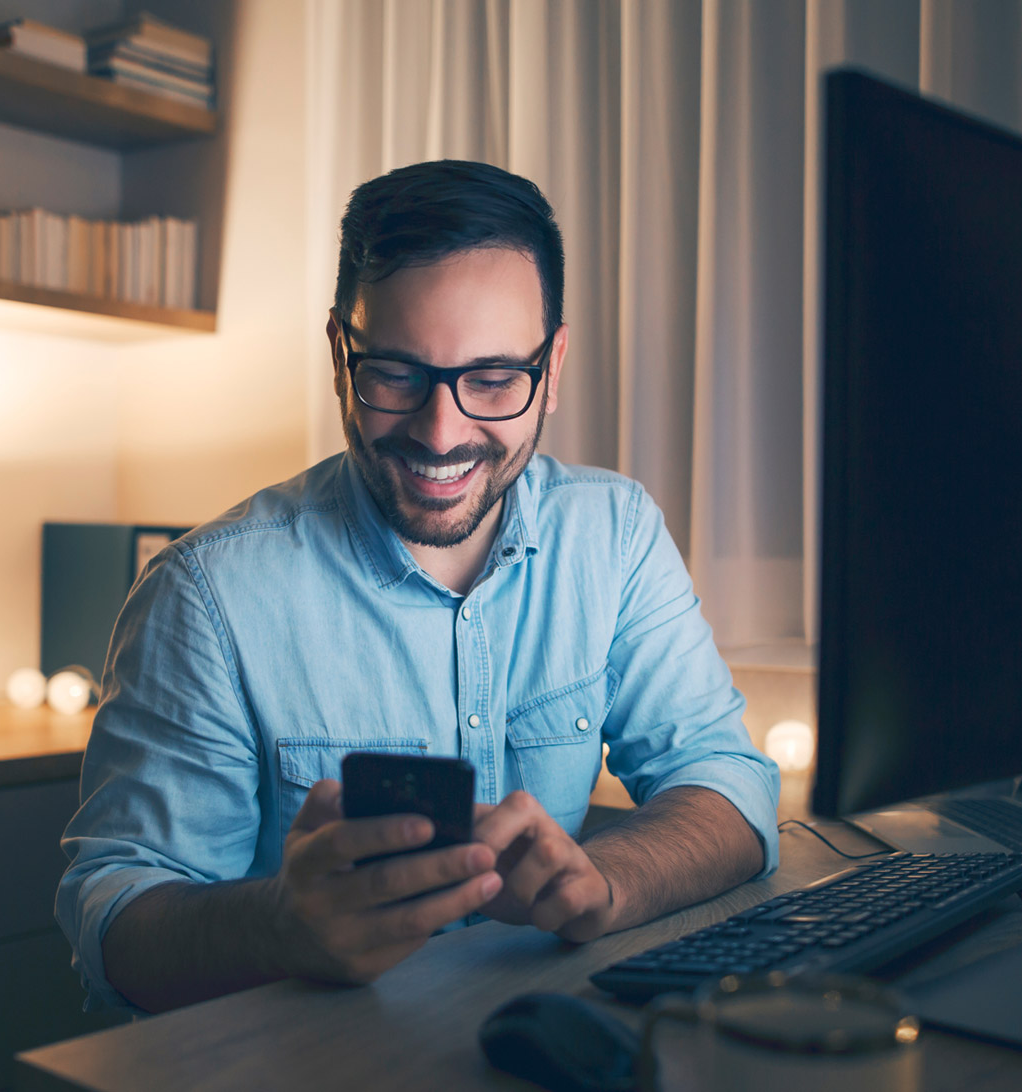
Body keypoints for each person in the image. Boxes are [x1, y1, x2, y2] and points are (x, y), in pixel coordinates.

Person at [56, 160, 780, 1014]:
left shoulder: (614, 535)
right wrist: (279, 926)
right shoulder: (206, 595)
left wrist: (604, 882)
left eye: (494, 379)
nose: (442, 433)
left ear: (552, 367)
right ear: (339, 353)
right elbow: (113, 924)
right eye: (397, 374)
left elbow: (727, 782)